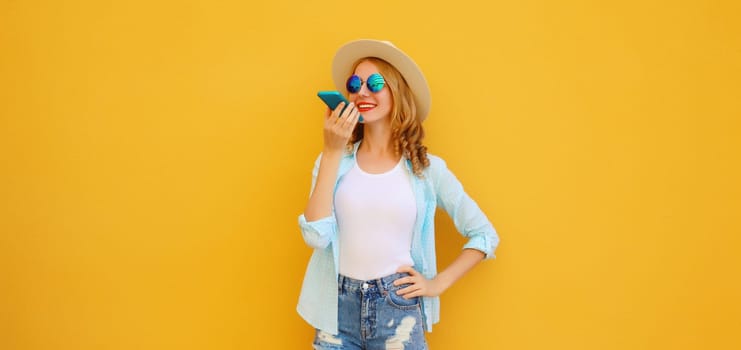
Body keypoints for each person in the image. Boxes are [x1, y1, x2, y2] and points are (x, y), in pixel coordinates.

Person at [297, 39, 499, 350]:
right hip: (336, 311)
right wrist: (330, 151)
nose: (361, 92)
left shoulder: (426, 170)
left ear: (397, 92)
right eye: (354, 84)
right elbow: (315, 236)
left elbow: (484, 235)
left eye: (374, 83)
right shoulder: (333, 161)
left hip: (398, 310)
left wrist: (436, 284)